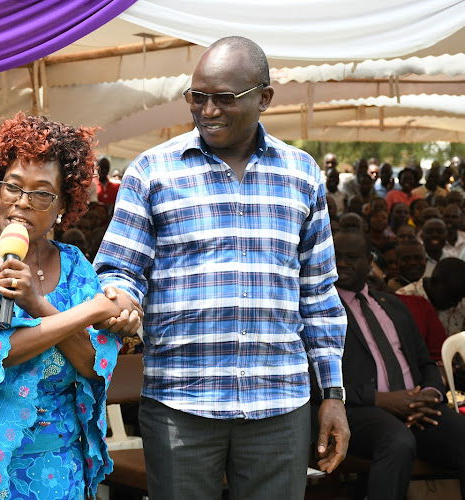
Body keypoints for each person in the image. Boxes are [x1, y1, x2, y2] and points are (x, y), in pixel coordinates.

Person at [93, 36, 349, 500]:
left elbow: (319, 296)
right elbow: (119, 268)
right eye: (197, 96)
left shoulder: (302, 174)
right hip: (179, 403)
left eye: (223, 98)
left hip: (280, 406)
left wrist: (333, 393)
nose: (207, 109)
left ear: (264, 98)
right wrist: (121, 299)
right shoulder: (153, 171)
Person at [0, 113, 140, 499]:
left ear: (63, 204)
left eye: (41, 193)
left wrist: (38, 304)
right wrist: (89, 311)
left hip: (57, 470)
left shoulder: (74, 265)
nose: (22, 203)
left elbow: (93, 363)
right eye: (13, 187)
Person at [332, 227, 465, 499]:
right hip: (359, 409)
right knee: (397, 441)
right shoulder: (321, 310)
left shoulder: (394, 306)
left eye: (351, 257)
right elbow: (316, 379)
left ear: (370, 261)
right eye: (335, 256)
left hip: (417, 407)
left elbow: (426, 364)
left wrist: (428, 394)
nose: (341, 263)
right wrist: (382, 400)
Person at [397, 257, 465, 336]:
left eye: (459, 298)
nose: (456, 304)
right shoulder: (402, 301)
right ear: (433, 283)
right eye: (452, 298)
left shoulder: (461, 302)